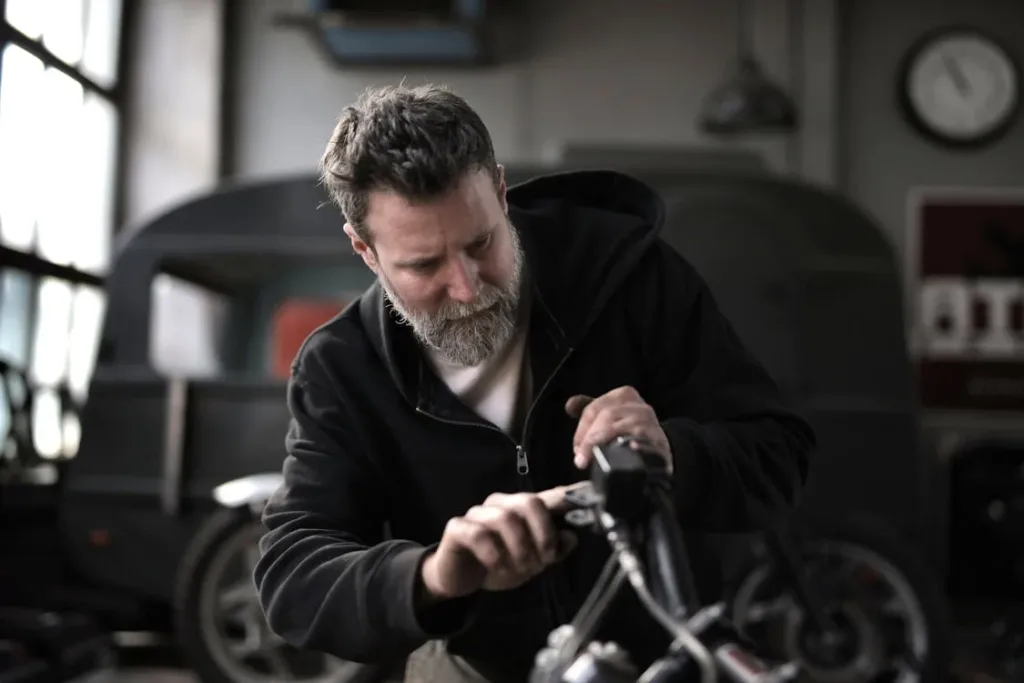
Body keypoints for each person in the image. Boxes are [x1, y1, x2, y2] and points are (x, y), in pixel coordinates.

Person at [254, 83, 815, 682]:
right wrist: (435, 575)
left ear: (499, 191)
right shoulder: (341, 367)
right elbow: (294, 577)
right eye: (424, 265)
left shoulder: (631, 276)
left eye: (481, 243)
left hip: (665, 659)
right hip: (476, 667)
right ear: (364, 250)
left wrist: (673, 453)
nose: (468, 288)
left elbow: (779, 457)